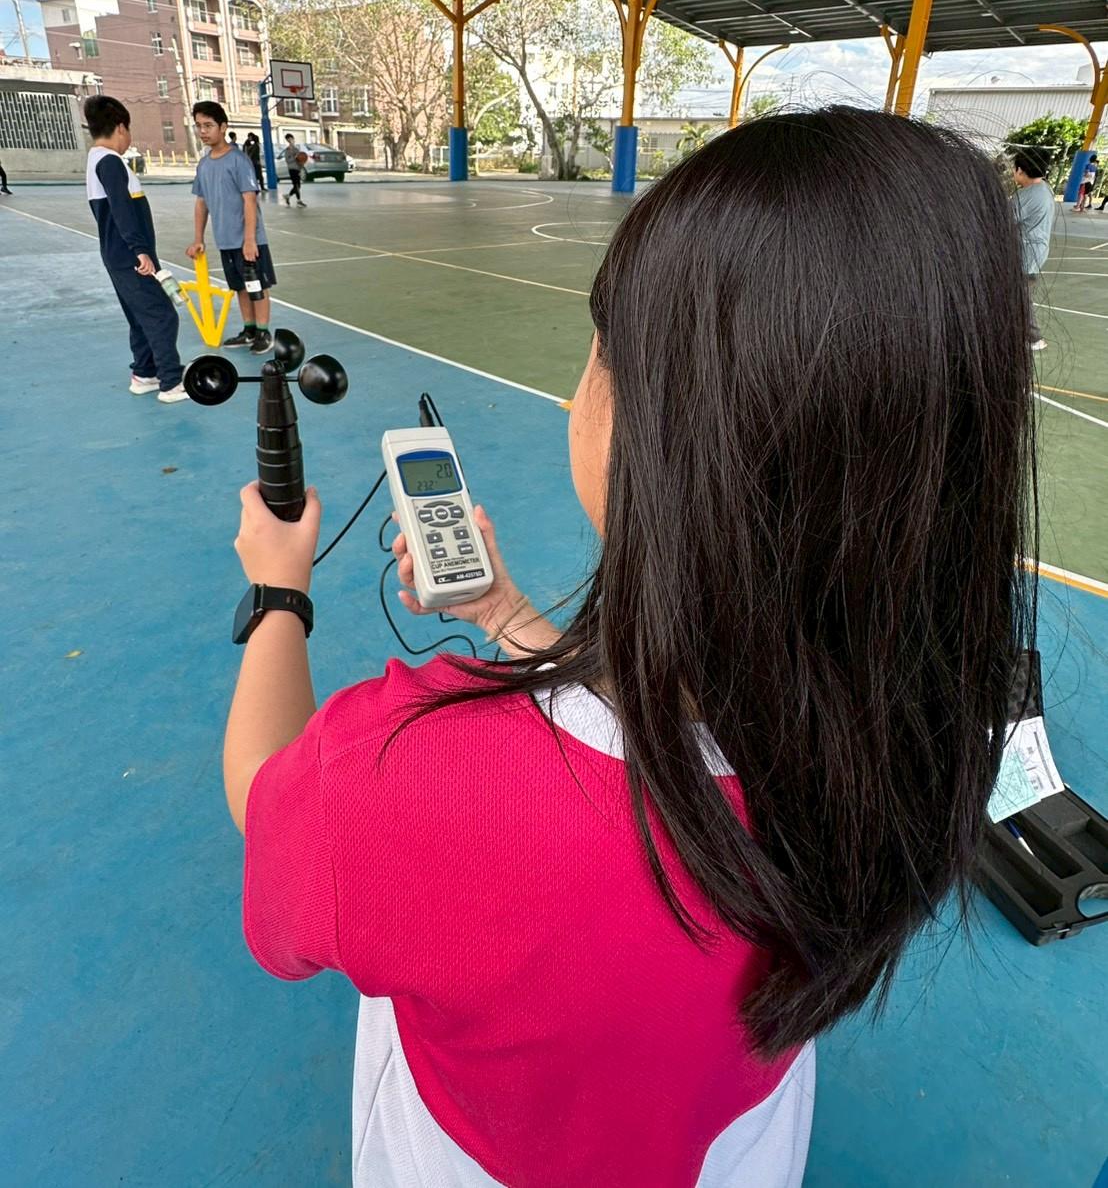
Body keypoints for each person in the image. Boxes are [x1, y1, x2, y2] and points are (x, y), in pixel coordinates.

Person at [223, 108, 1037, 1188]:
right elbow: (666, 743)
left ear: (660, 434)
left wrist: (279, 593)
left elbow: (269, 803)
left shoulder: (402, 770)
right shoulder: (923, 732)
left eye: (599, 349)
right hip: (732, 1144)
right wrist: (510, 616)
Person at [83, 95, 187, 402]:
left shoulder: (95, 159)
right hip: (130, 255)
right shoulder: (110, 161)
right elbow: (121, 209)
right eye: (129, 130)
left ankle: (144, 374)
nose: (129, 138)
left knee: (140, 316)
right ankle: (171, 382)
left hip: (117, 254)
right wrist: (140, 251)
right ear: (120, 127)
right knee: (162, 315)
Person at [186, 100, 275, 355]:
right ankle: (249, 329)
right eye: (199, 126)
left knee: (257, 286)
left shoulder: (238, 160)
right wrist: (198, 238)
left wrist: (249, 240)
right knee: (239, 286)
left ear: (223, 127)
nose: (203, 131)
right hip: (224, 239)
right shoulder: (203, 165)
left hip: (248, 240)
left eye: (209, 126)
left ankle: (263, 331)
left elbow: (249, 200)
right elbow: (201, 203)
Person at [1012, 146, 1055, 350]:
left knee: (1021, 295)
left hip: (1026, 253)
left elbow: (1003, 219)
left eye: (1015, 169)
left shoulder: (1028, 195)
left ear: (1021, 170)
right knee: (1019, 293)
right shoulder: (1044, 188)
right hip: (1036, 250)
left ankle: (1033, 337)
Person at [282, 132, 306, 206]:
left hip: (297, 168)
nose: (291, 140)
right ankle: (299, 200)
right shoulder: (287, 150)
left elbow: (300, 159)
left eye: (291, 139)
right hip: (292, 169)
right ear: (287, 140)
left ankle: (288, 196)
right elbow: (288, 160)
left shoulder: (296, 149)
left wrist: (301, 167)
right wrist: (294, 157)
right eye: (289, 139)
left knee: (298, 186)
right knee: (296, 185)